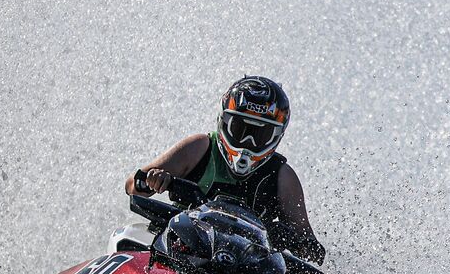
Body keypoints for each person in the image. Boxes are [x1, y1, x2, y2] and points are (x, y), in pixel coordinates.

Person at [125, 76, 326, 264]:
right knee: (126, 240)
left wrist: (287, 237)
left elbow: (312, 252)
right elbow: (132, 186)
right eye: (240, 129)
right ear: (223, 121)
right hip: (178, 252)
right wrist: (154, 179)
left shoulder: (283, 177)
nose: (249, 142)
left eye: (260, 133)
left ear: (277, 135)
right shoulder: (198, 148)